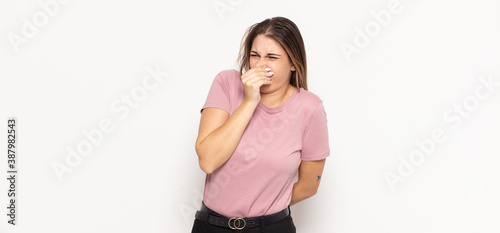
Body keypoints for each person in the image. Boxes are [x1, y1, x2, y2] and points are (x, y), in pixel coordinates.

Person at [192, 16, 330, 233]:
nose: (259, 66)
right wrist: (249, 101)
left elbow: (309, 185)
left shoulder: (310, 108)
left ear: (293, 63)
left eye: (272, 57)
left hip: (272, 227)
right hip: (211, 226)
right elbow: (208, 161)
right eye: (254, 56)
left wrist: (265, 207)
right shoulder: (226, 84)